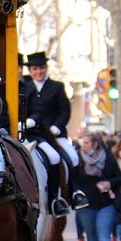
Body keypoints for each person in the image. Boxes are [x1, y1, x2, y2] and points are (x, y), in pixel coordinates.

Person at [20, 51, 88, 215]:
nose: (38, 72)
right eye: (35, 69)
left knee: (72, 156)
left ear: (46, 68)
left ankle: (75, 192)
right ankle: (53, 198)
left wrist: (58, 126)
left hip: (55, 132)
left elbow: (65, 110)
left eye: (41, 68)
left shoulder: (57, 87)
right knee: (54, 157)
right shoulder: (25, 88)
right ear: (30, 70)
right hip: (35, 134)